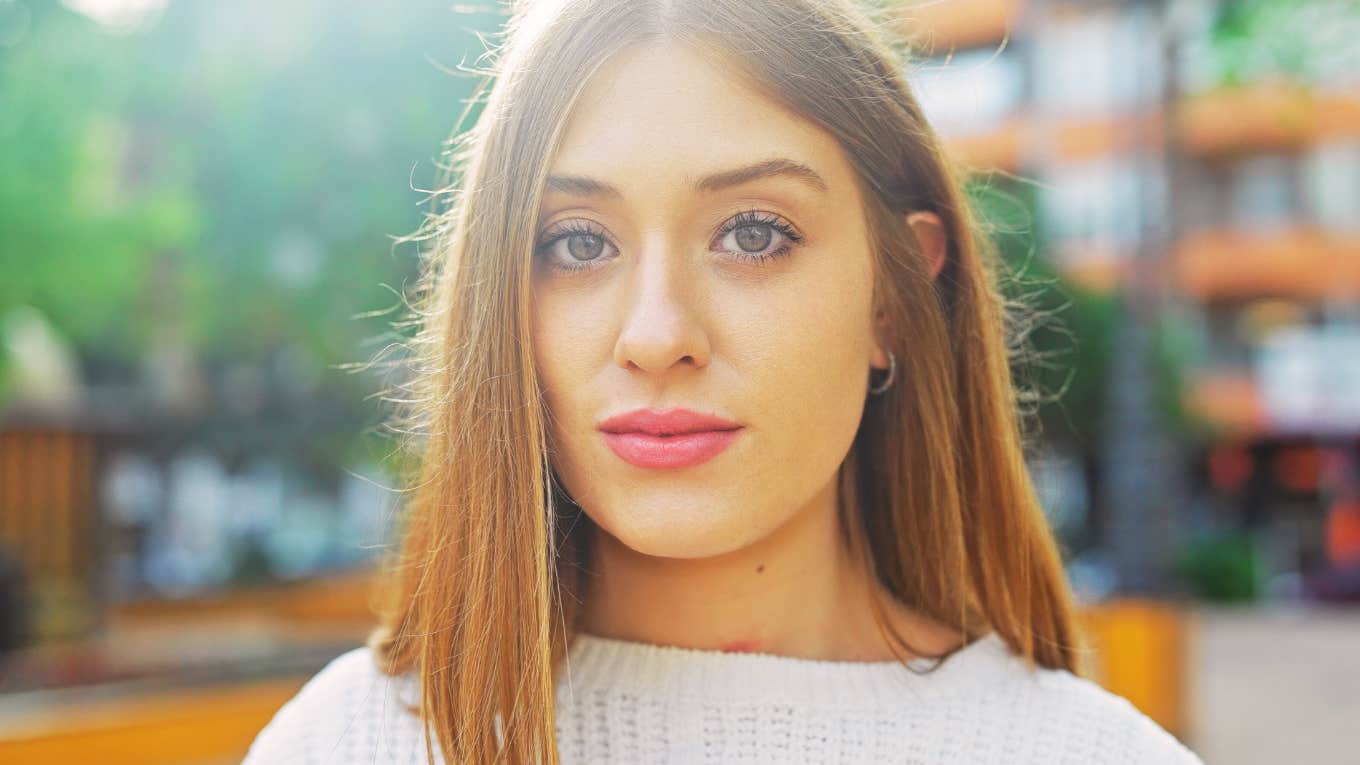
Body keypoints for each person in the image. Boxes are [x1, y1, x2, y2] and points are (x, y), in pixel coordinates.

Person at [243, 0, 1207, 762]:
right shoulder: (343, 747)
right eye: (577, 242)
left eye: (753, 233)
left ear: (894, 294)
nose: (658, 335)